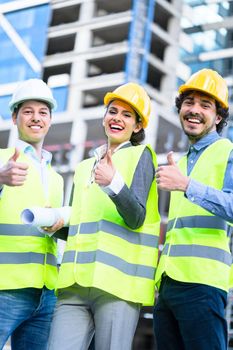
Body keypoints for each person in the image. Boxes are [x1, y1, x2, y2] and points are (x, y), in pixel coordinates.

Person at [48, 82, 161, 350]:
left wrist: (114, 183)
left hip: (116, 288)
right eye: (113, 111)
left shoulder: (140, 156)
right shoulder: (86, 166)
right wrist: (56, 226)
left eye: (126, 114)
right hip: (74, 284)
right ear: (104, 117)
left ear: (137, 126)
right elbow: (81, 225)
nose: (117, 118)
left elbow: (137, 217)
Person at [153, 68, 233, 350]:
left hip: (203, 284)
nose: (194, 110)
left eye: (205, 105)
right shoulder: (182, 161)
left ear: (218, 117)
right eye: (189, 103)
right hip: (168, 284)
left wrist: (187, 185)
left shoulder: (228, 152)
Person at [0, 79, 64, 350]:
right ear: (15, 117)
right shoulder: (2, 158)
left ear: (50, 119)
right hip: (5, 289)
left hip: (46, 295)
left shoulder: (56, 177)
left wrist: (60, 225)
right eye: (28, 111)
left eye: (42, 112)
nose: (36, 118)